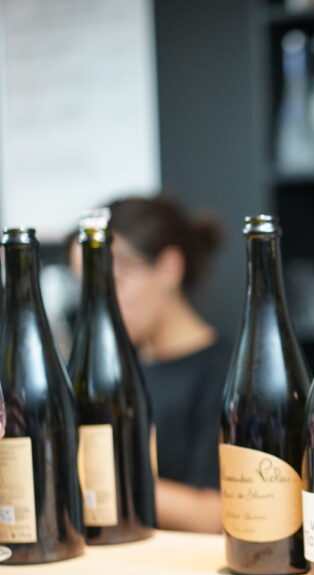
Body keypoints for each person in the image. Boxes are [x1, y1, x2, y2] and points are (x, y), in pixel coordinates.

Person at [69, 195, 228, 533]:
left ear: (169, 268)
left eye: (111, 282)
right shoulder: (110, 374)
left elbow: (216, 514)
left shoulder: (224, 371)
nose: (96, 302)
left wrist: (97, 481)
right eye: (87, 287)